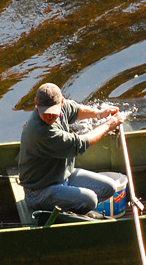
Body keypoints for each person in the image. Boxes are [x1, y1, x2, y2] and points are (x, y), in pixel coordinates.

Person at [18, 83, 126, 215]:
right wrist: (109, 124)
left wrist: (99, 114)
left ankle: (71, 204)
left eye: (53, 112)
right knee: (90, 200)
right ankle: (70, 214)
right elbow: (81, 143)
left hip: (63, 175)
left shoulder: (63, 107)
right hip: (40, 190)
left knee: (109, 188)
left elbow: (75, 110)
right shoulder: (42, 132)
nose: (49, 116)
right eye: (45, 112)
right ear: (36, 103)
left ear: (62, 102)